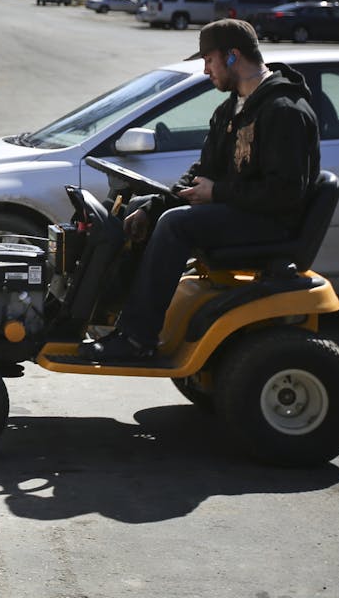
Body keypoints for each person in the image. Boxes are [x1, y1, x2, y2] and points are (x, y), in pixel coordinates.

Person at [82, 18, 321, 362]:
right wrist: (151, 208)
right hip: (242, 211)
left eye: (209, 60)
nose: (206, 70)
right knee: (141, 207)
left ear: (232, 57)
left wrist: (218, 194)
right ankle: (105, 316)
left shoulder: (283, 110)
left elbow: (286, 192)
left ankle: (137, 339)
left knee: (176, 224)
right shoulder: (232, 108)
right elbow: (203, 172)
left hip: (272, 223)